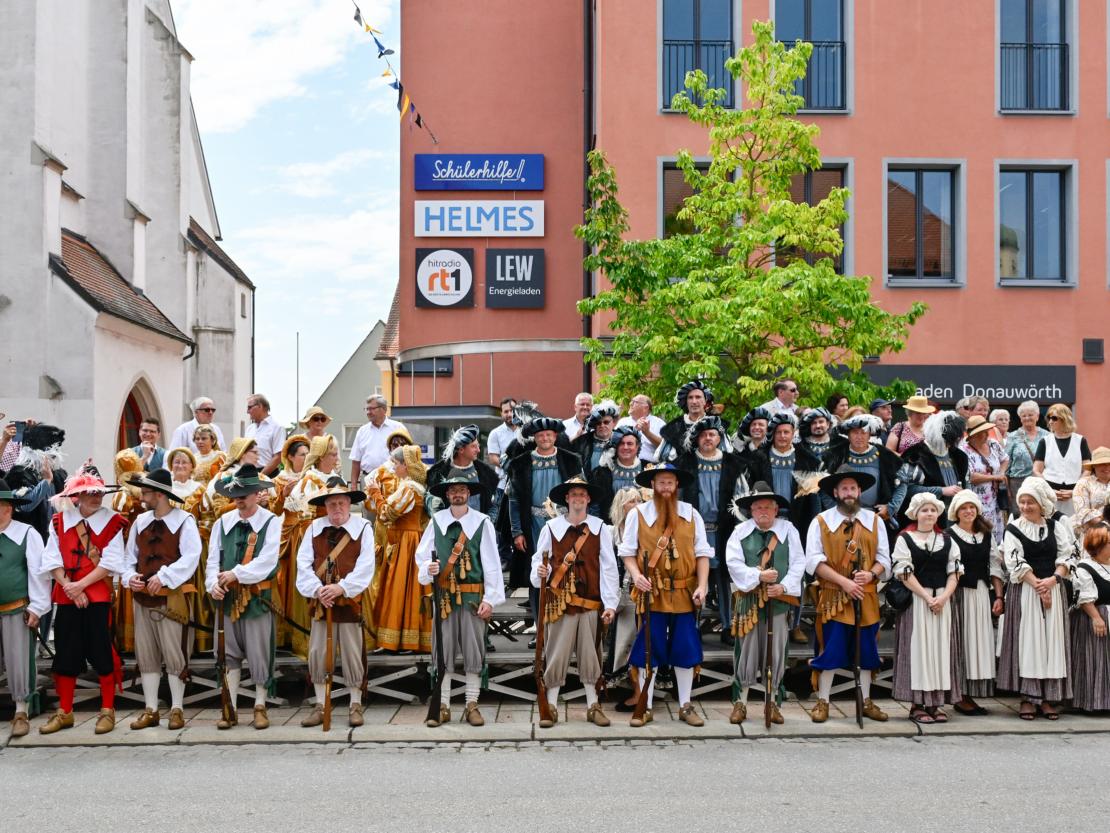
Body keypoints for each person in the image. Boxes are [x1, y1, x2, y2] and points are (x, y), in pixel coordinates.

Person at [619, 463, 713, 727]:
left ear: (676, 485)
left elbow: (702, 553)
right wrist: (636, 575)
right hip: (653, 594)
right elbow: (627, 552)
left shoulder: (691, 514)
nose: (665, 488)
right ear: (652, 485)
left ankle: (685, 705)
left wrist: (702, 586)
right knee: (649, 649)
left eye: (670, 482)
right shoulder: (638, 514)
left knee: (685, 649)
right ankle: (645, 706)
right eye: (661, 482)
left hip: (684, 593)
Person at [40, 467, 127, 735]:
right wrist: (70, 588)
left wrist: (80, 586)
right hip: (68, 596)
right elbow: (51, 559)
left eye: (99, 493)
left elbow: (112, 562)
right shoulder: (59, 521)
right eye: (89, 493)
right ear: (77, 496)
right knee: (66, 653)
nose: (96, 497)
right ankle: (65, 712)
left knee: (101, 652)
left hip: (96, 596)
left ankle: (107, 711)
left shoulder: (113, 521)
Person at [416, 478, 504, 728]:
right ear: (447, 495)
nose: (457, 494)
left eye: (462, 490)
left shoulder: (482, 522)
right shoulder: (436, 521)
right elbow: (421, 557)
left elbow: (492, 564)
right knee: (443, 651)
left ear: (468, 494)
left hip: (472, 598)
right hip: (444, 597)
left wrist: (490, 599)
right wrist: (429, 567)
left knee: (473, 651)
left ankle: (471, 704)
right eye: (453, 490)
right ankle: (443, 705)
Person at [531, 476, 618, 727]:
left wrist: (610, 604)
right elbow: (539, 562)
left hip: (590, 602)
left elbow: (609, 569)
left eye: (582, 494)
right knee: (556, 655)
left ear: (588, 499)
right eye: (573, 494)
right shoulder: (551, 528)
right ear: (566, 499)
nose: (578, 498)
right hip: (560, 604)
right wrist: (541, 572)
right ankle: (551, 707)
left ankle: (593, 706)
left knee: (591, 656)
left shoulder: (600, 528)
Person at [805, 466, 891, 723]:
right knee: (830, 650)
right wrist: (844, 582)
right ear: (836, 492)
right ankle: (823, 701)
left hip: (866, 596)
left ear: (859, 491)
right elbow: (813, 561)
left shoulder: (874, 521)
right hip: (834, 597)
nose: (849, 493)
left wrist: (871, 575)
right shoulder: (821, 522)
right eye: (844, 488)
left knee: (867, 652)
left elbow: (884, 559)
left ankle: (866, 701)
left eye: (853, 488)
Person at [120, 468, 202, 731]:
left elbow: (191, 557)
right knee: (147, 655)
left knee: (175, 654)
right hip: (143, 599)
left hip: (172, 600)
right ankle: (151, 710)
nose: (141, 496)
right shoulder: (140, 522)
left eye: (145, 492)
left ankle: (177, 709)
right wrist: (129, 577)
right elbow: (128, 558)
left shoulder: (184, 521)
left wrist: (165, 576)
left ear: (159, 494)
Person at [295, 476, 375, 728]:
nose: (337, 508)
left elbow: (366, 566)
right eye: (332, 504)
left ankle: (355, 704)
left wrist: (342, 588)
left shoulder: (363, 528)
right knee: (318, 653)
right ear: (325, 506)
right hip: (322, 603)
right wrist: (318, 590)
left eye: (341, 503)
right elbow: (303, 564)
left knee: (352, 653)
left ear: (349, 503)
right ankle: (321, 705)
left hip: (349, 601)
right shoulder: (313, 528)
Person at [724, 483, 805, 724]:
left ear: (776, 509)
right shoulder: (740, 532)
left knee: (776, 653)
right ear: (751, 510)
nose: (763, 511)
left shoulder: (789, 530)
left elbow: (798, 563)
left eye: (767, 507)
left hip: (778, 602)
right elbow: (733, 563)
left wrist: (783, 587)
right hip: (748, 602)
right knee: (745, 653)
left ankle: (773, 704)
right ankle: (741, 702)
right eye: (758, 507)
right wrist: (758, 576)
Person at [997, 477, 1077, 720]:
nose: (1025, 506)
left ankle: (1049, 698)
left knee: (1051, 642)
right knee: (1029, 642)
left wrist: (1053, 580)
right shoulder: (1013, 529)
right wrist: (1039, 587)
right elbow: (1014, 561)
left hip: (1053, 587)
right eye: (1021, 501)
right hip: (1026, 591)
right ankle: (1028, 698)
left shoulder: (1056, 527)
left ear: (1041, 504)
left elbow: (1068, 555)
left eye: (1030, 502)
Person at [206, 464, 278, 730]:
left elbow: (268, 561)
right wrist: (212, 584)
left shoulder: (270, 521)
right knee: (228, 654)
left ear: (257, 494)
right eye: (235, 494)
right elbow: (212, 560)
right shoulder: (222, 523)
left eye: (244, 494)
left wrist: (236, 573)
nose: (238, 499)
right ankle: (230, 706)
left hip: (255, 598)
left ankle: (260, 706)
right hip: (226, 598)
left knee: (259, 654)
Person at [675, 415, 749, 643]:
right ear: (697, 438)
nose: (708, 438)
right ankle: (693, 625)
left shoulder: (733, 463)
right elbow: (677, 497)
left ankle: (727, 626)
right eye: (704, 435)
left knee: (723, 578)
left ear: (719, 438)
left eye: (712, 434)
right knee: (694, 577)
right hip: (693, 530)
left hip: (724, 529)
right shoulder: (684, 463)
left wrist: (740, 529)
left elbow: (740, 499)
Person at [891, 493, 962, 724]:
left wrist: (943, 597)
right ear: (916, 513)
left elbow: (955, 572)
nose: (929, 514)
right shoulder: (905, 539)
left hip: (942, 601)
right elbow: (904, 572)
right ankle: (917, 704)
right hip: (917, 601)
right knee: (919, 651)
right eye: (924, 510)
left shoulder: (947, 540)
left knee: (940, 650)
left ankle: (935, 703)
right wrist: (926, 597)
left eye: (932, 510)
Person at [506, 416, 582, 633]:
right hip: (534, 525)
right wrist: (517, 531)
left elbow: (581, 493)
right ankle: (541, 630)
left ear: (555, 436)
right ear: (535, 438)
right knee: (539, 573)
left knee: (567, 571)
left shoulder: (571, 460)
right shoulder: (520, 463)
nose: (545, 438)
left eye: (549, 434)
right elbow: (513, 500)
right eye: (540, 435)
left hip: (566, 524)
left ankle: (565, 629)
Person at [946, 490, 1004, 715]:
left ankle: (969, 692)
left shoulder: (985, 534)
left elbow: (994, 566)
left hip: (980, 594)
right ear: (956, 512)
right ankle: (960, 694)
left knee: (977, 642)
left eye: (971, 507)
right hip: (958, 594)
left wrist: (998, 596)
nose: (968, 511)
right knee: (961, 642)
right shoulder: (949, 535)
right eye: (963, 508)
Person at [0, 478, 50, 737]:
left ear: (8, 508)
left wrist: (37, 608)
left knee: (19, 661)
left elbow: (39, 574)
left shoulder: (26, 534)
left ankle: (21, 711)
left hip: (16, 608)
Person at [372, 445, 431, 653]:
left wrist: (375, 494)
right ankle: (402, 638)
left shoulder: (410, 489)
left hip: (407, 542)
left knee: (401, 587)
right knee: (405, 588)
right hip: (407, 539)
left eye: (396, 464)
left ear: (405, 466)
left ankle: (402, 639)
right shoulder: (411, 487)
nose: (393, 468)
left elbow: (387, 513)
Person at [167, 446, 216, 653]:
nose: (180, 465)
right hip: (169, 547)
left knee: (196, 587)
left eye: (184, 462)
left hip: (195, 546)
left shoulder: (199, 490)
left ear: (191, 467)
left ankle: (199, 639)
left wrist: (194, 535)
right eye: (176, 462)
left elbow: (209, 518)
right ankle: (171, 633)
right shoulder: (165, 489)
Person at [607, 486, 647, 711]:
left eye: (639, 501)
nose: (637, 505)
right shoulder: (610, 532)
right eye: (632, 501)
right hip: (614, 594)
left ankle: (639, 694)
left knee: (634, 643)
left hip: (636, 593)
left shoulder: (645, 530)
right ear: (621, 506)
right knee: (619, 644)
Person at [270, 435, 311, 653]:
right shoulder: (280, 480)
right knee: (286, 580)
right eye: (302, 454)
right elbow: (274, 511)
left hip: (307, 532)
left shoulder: (312, 478)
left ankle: (303, 631)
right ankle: (285, 633)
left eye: (308, 454)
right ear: (291, 457)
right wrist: (283, 495)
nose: (306, 457)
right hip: (288, 534)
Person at [821, 414, 901, 525]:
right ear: (848, 434)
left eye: (863, 432)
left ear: (870, 434)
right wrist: (837, 512)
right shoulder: (835, 455)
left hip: (874, 517)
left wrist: (891, 507)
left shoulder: (884, 455)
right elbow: (822, 487)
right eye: (855, 432)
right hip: (841, 518)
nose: (859, 437)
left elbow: (902, 483)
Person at [898, 411, 968, 524]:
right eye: (949, 440)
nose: (951, 444)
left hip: (955, 516)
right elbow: (906, 489)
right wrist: (941, 490)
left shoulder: (959, 456)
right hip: (925, 519)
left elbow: (965, 482)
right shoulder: (915, 455)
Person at [1070, 525, 1110, 712]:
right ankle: (1094, 702)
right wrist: (1096, 618)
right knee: (1096, 660)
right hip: (1094, 620)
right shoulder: (1085, 567)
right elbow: (1084, 598)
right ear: (1098, 545)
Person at [110, 449, 145, 655]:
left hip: (130, 545)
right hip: (145, 544)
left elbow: (119, 524)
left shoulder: (122, 494)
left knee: (130, 584)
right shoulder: (144, 490)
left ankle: (130, 640)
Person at [426, 425, 499, 516]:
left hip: (478, 524)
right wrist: (441, 520)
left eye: (478, 446)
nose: (478, 450)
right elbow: (430, 502)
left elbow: (495, 505)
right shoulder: (438, 474)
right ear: (461, 450)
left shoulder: (487, 474)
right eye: (473, 446)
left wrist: (488, 520)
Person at [1032, 403, 1091, 516]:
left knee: (1074, 524)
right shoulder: (1045, 441)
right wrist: (1048, 490)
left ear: (1065, 419)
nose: (1050, 421)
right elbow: (1036, 470)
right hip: (1050, 494)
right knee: (1051, 524)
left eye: (1054, 418)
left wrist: (1076, 490)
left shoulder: (1080, 441)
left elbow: (1087, 468)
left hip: (1075, 494)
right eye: (1049, 418)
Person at [959, 415, 1009, 543]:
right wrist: (995, 477)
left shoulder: (993, 444)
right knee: (982, 532)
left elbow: (1005, 459)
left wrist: (1001, 473)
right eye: (983, 432)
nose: (987, 434)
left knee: (998, 532)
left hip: (996, 498)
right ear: (974, 435)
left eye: (987, 431)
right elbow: (971, 476)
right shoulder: (964, 450)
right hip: (978, 500)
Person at [349, 394, 406, 490]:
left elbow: (408, 456)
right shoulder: (362, 431)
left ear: (384, 409)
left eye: (371, 409)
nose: (368, 412)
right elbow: (356, 461)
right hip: (368, 480)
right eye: (366, 409)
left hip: (393, 479)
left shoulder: (398, 428)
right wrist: (353, 486)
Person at [589, 425, 644, 517]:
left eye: (630, 443)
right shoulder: (602, 472)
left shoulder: (647, 469)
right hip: (609, 523)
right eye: (621, 443)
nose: (625, 447)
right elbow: (594, 505)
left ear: (637, 447)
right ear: (616, 446)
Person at [1004, 401, 1048, 512]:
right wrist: (1006, 488)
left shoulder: (1047, 436)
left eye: (1030, 415)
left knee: (1041, 512)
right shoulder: (1013, 436)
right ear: (1020, 418)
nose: (1027, 418)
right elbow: (1006, 463)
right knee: (1020, 513)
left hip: (1040, 482)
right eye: (1024, 416)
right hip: (1018, 483)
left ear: (1037, 416)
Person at [656, 380, 713, 463]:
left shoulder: (716, 424)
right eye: (690, 398)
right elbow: (664, 459)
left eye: (698, 397)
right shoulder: (674, 428)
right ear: (686, 402)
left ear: (705, 401)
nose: (694, 401)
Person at [486, 397, 519, 520]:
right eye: (506, 411)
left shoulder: (526, 431)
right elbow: (493, 458)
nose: (509, 414)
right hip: (502, 485)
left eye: (512, 410)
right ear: (501, 414)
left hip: (524, 484)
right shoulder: (495, 433)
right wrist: (511, 466)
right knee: (499, 520)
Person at [570, 400, 620, 478]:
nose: (602, 425)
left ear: (614, 423)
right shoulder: (581, 442)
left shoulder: (622, 441)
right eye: (598, 423)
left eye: (606, 422)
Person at [1073, 448, 1110, 545]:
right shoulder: (1083, 483)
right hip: (1093, 536)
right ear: (1094, 466)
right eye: (1102, 464)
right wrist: (1106, 525)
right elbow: (1082, 512)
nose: (1107, 467)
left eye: (1109, 463)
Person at [244, 394, 285, 476]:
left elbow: (278, 457)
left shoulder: (277, 427)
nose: (247, 411)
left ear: (260, 406)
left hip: (269, 475)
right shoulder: (249, 428)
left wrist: (261, 476)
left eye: (249, 407)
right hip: (249, 474)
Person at [617, 394, 665, 463]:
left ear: (646, 407)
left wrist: (647, 433)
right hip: (625, 464)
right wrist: (633, 432)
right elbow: (614, 442)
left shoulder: (658, 423)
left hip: (650, 465)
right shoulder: (623, 421)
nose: (630, 404)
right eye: (631, 401)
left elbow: (665, 447)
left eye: (635, 402)